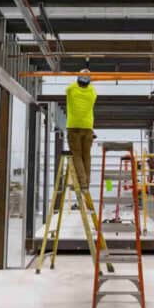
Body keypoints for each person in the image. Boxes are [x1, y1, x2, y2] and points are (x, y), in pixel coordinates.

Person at [66, 69, 96, 206]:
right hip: (87, 127)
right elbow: (89, 86)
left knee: (77, 156)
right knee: (86, 156)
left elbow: (69, 87)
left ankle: (83, 184)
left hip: (74, 127)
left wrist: (80, 73)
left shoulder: (71, 90)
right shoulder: (92, 93)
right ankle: (86, 185)